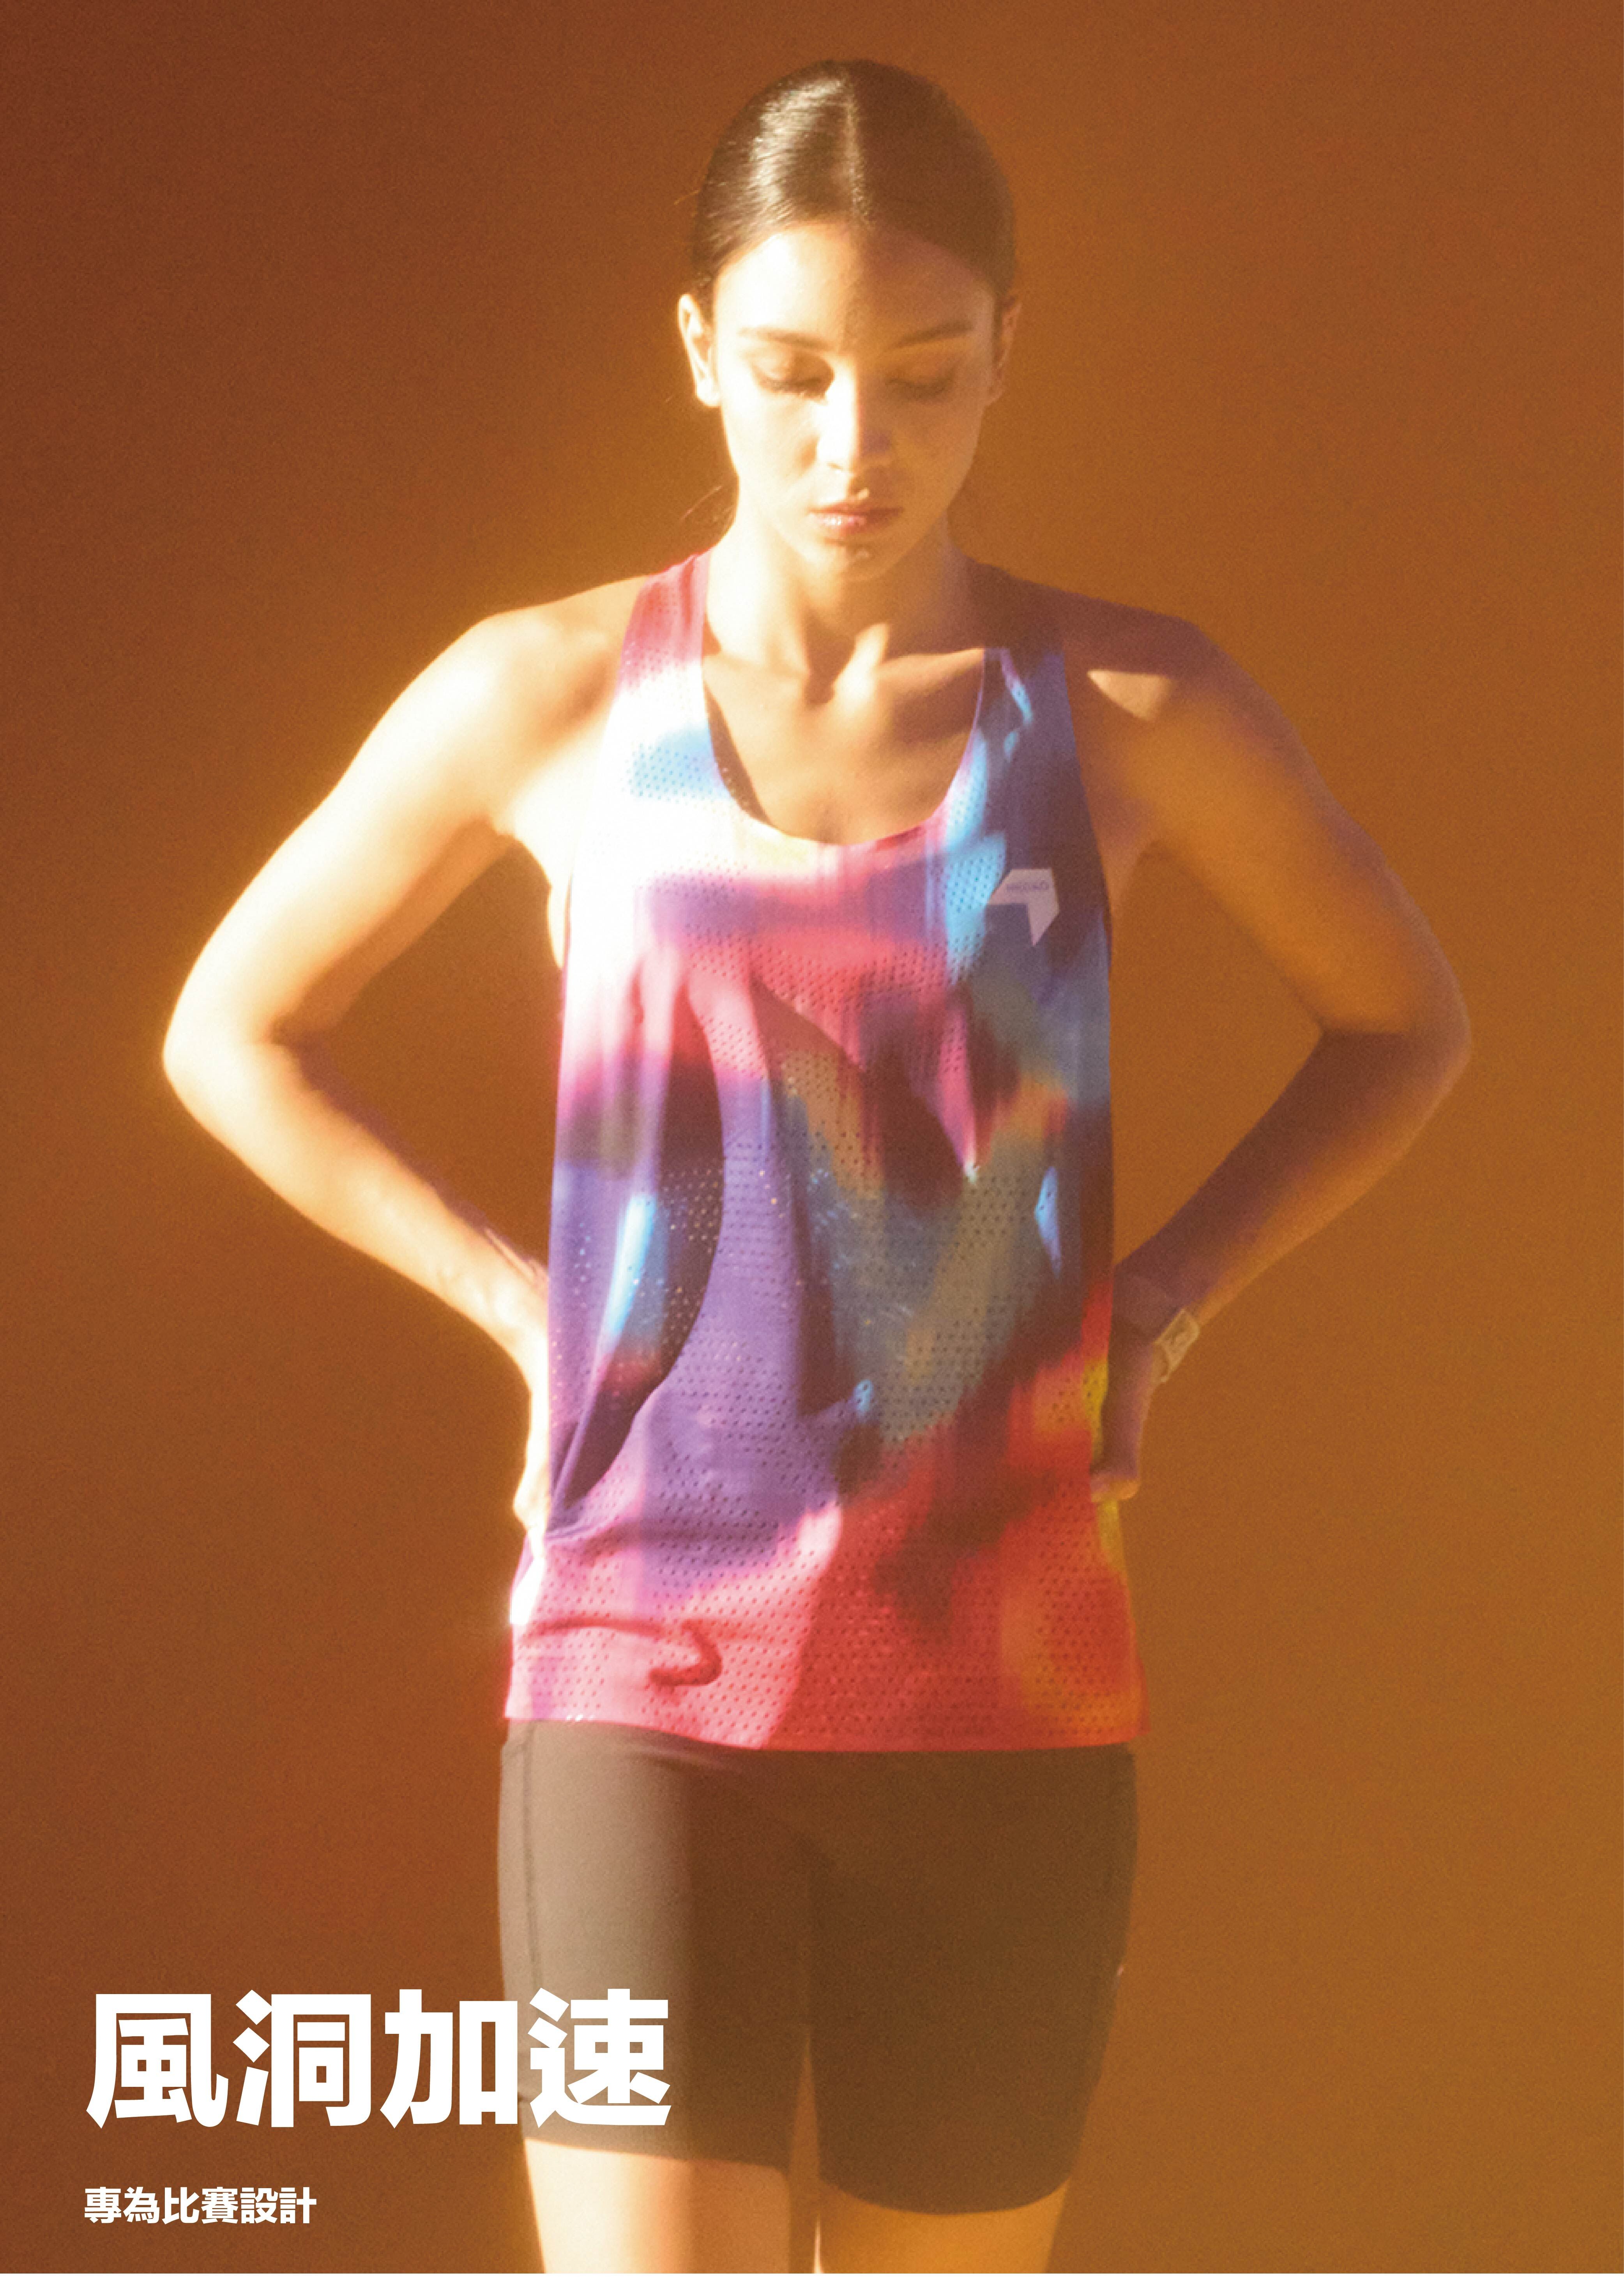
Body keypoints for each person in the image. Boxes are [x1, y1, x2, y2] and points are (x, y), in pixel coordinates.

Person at [161, 56, 1471, 2277]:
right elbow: (234, 1032)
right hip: (633, 1688)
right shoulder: (546, 694)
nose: (854, 441)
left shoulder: (1124, 707)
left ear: (1005, 354)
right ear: (696, 349)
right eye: (788, 373)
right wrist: (521, 1311)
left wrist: (1161, 1301)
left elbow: (1402, 1021)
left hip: (1005, 1711)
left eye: (922, 375)